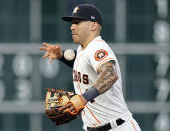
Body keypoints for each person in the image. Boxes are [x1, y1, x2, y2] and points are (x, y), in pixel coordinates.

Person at [39, 3, 141, 131]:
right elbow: (83, 64)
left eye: (77, 22)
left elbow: (110, 74)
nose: (72, 27)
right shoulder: (84, 48)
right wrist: (61, 55)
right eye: (72, 23)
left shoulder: (97, 47)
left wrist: (84, 98)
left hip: (118, 127)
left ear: (93, 25)